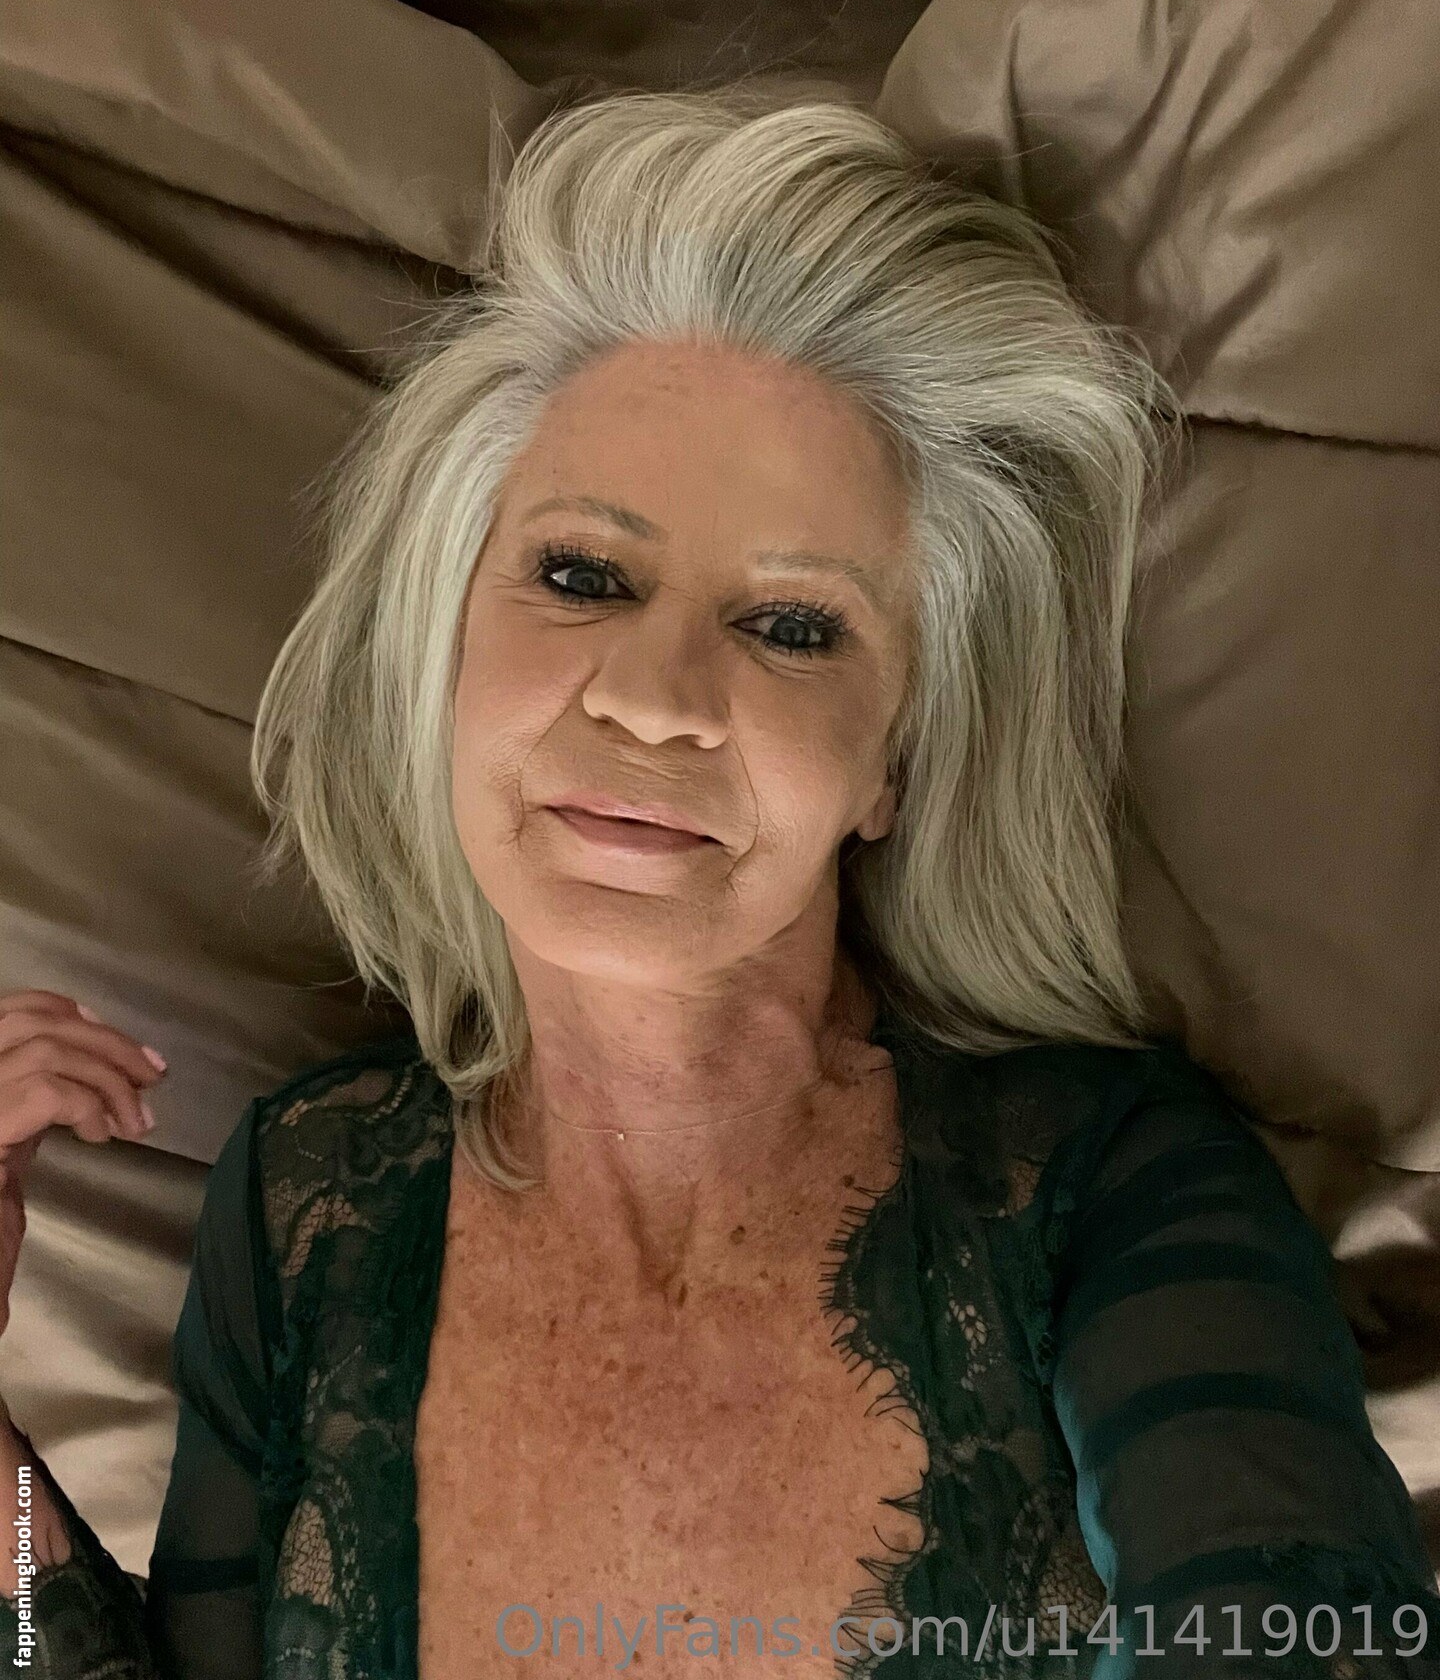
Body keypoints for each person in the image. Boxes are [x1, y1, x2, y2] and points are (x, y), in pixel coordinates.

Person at [0, 87, 1437, 1680]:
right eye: (581, 575)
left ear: (894, 761)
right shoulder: (301, 1203)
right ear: (442, 644)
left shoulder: (1107, 1188)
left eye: (793, 626)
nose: (655, 696)